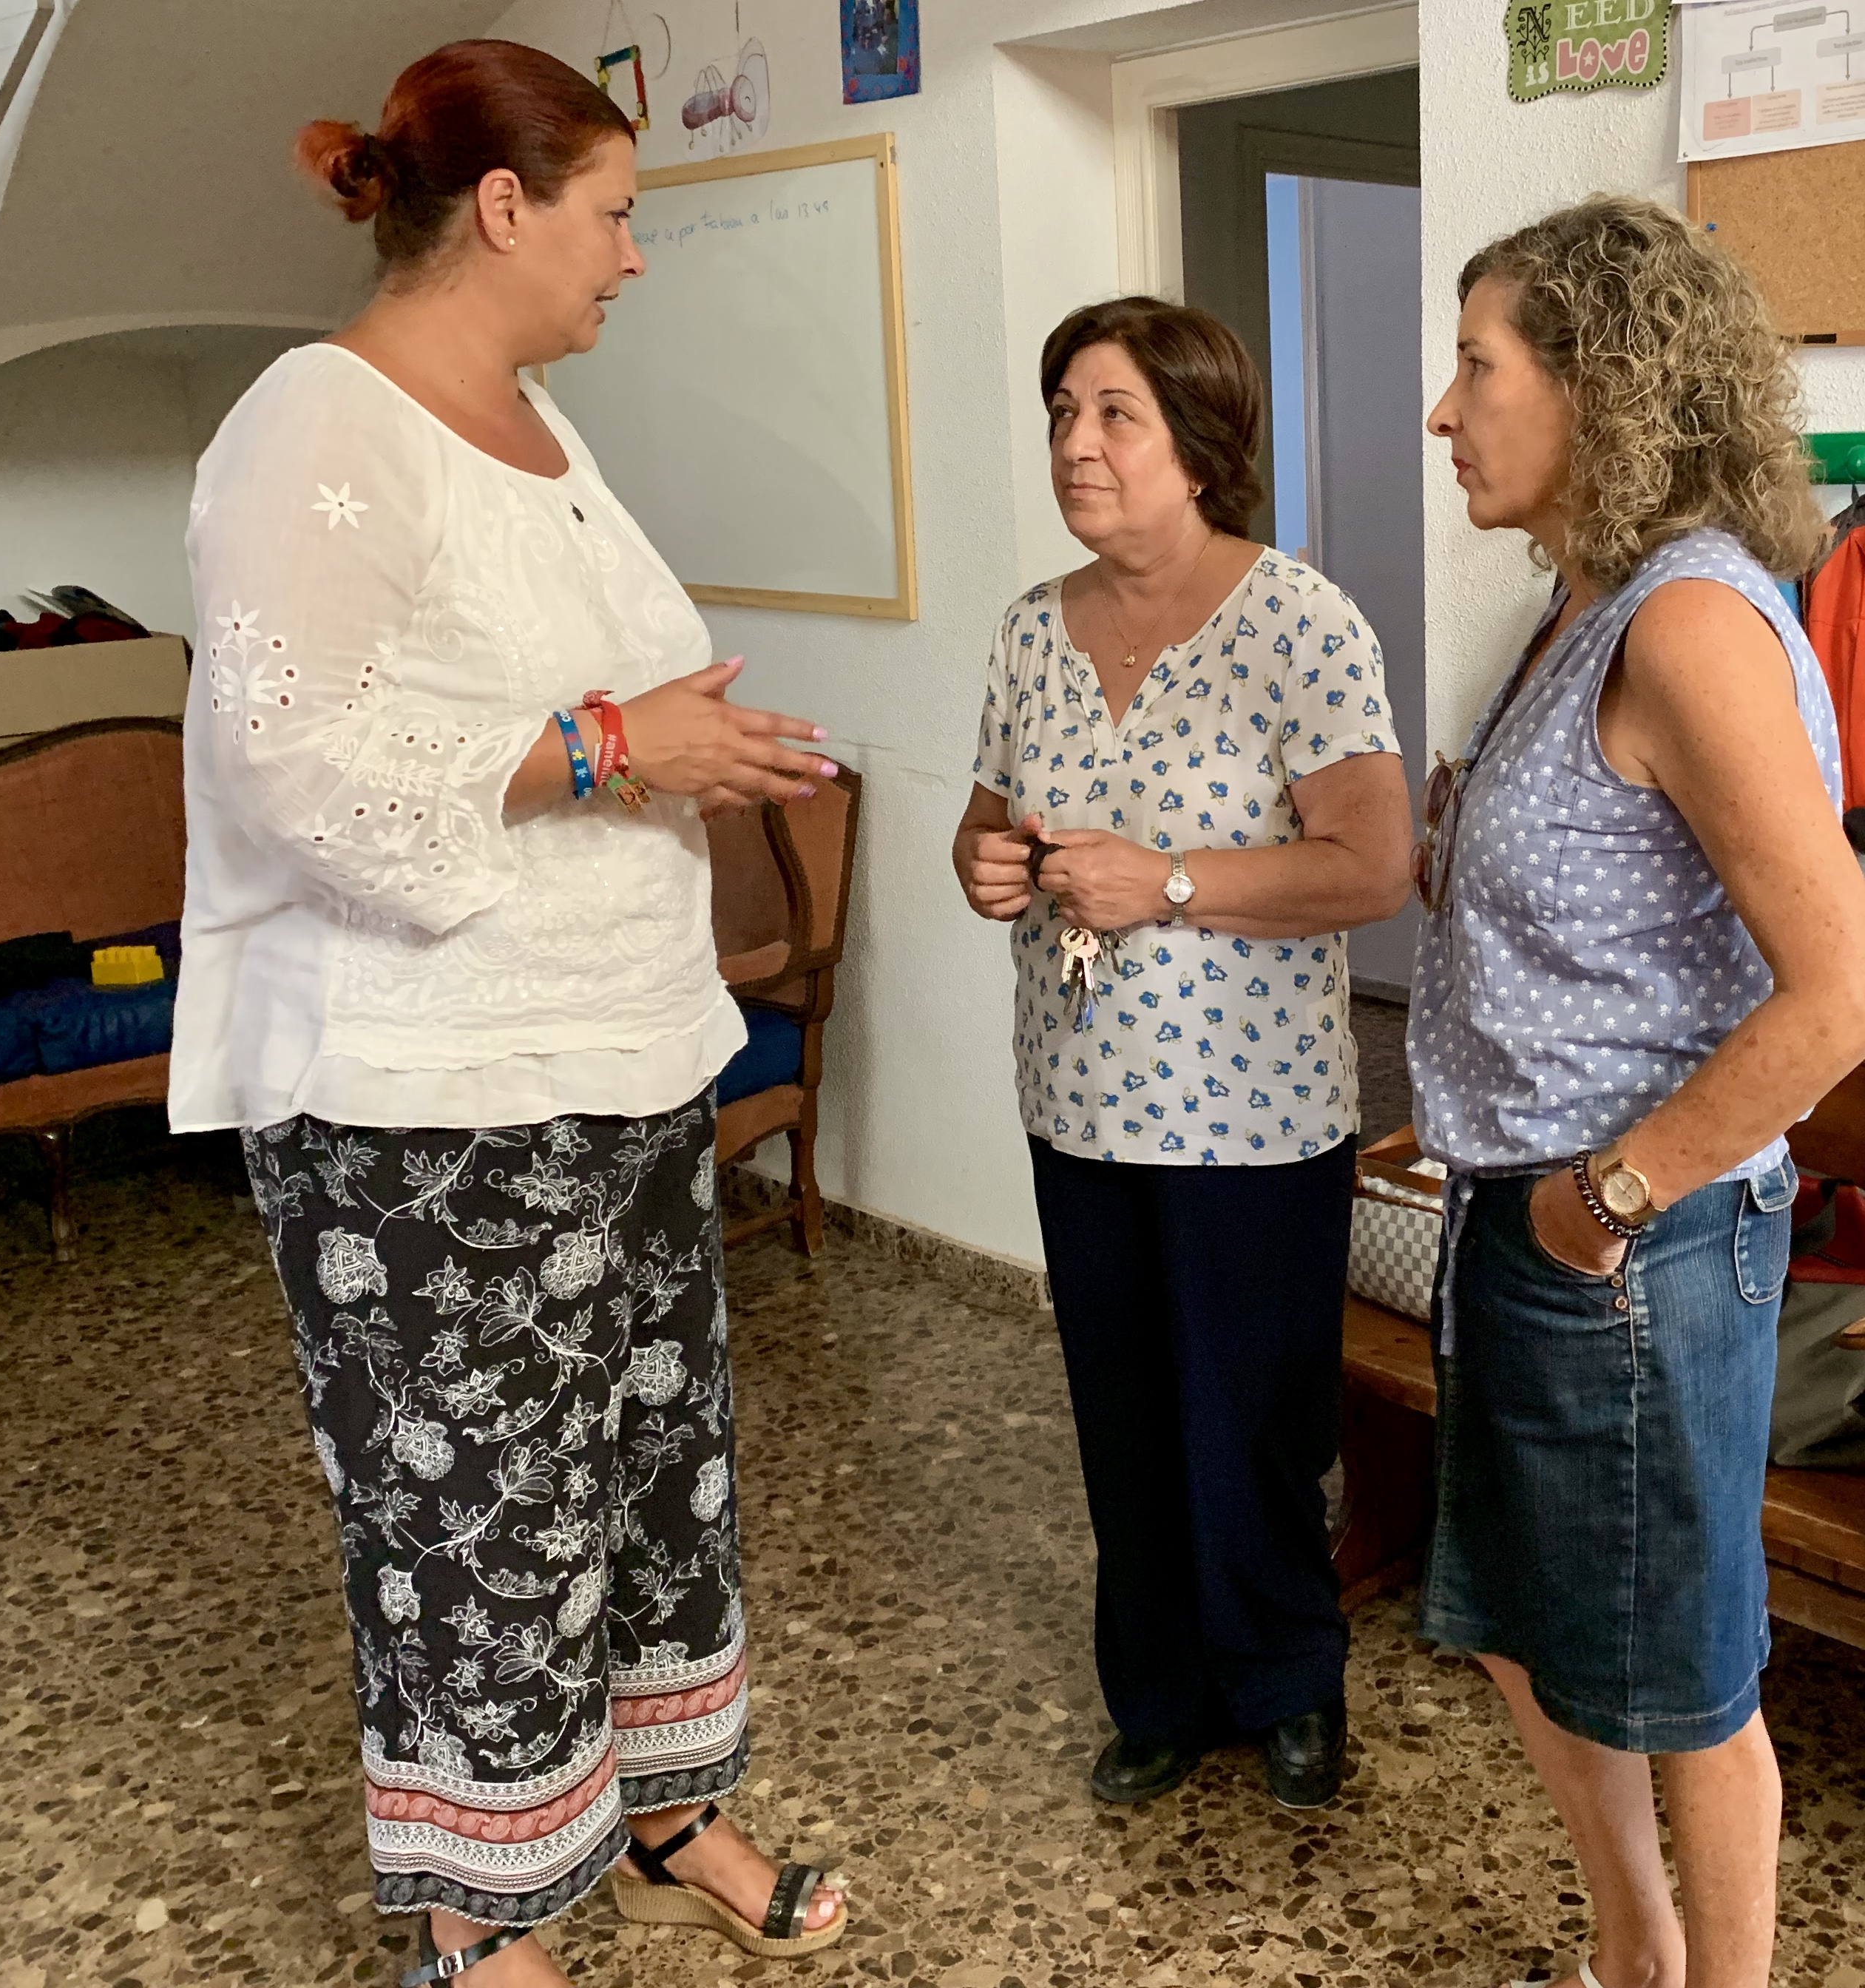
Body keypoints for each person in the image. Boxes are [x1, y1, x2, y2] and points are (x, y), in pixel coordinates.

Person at [177, 41, 851, 1987]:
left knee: (654, 1478)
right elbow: (290, 763)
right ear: (502, 209)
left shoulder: (542, 423)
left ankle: (665, 1814)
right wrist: (618, 744)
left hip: (623, 1057)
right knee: (480, 1527)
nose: (633, 255)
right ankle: (475, 1924)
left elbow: (556, 706)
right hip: (426, 1098)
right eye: (615, 215)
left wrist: (668, 741)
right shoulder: (316, 424)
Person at [1408, 197, 1865, 1988]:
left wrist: (1602, 1201)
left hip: (1634, 1240)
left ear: (1600, 386)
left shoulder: (1686, 623)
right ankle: (1640, 1947)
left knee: (1685, 1685)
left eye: (1477, 366)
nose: (1445, 410)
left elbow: (1848, 990)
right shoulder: (1578, 604)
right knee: (1531, 1632)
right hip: (1527, 1212)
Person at [948, 297, 1411, 1812]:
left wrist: (1171, 881)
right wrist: (987, 865)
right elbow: (983, 820)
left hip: (1251, 1120)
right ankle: (1156, 1692)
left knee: (1254, 1420)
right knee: (1125, 1413)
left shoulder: (1300, 624)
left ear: (1198, 444)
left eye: (1113, 415)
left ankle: (1288, 1679)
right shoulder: (1032, 628)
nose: (1075, 445)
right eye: (1062, 414)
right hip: (1079, 1102)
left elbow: (1372, 866)